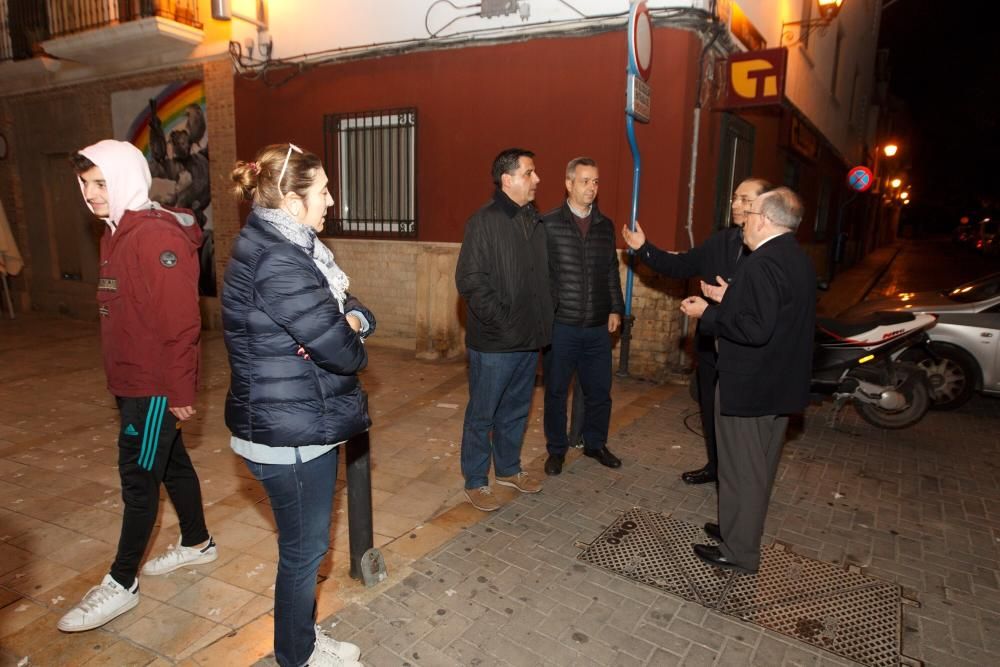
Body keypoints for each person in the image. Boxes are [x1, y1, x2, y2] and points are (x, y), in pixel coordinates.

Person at [224, 143, 373, 667]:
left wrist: (351, 320)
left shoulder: (292, 246)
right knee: (304, 555)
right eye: (323, 190)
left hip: (296, 419)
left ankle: (302, 640)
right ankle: (296, 655)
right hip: (289, 432)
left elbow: (351, 311)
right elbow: (346, 353)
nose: (331, 199)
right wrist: (348, 330)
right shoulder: (280, 261)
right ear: (291, 201)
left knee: (306, 552)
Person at [58, 140, 216, 632]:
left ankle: (121, 582)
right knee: (171, 463)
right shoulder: (115, 232)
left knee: (139, 478)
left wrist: (180, 392)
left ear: (125, 179)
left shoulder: (151, 238)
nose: (91, 194)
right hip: (132, 381)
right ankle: (198, 542)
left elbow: (180, 323)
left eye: (101, 182)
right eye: (85, 184)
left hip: (152, 388)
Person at [679, 187, 815, 574]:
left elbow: (754, 329)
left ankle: (739, 551)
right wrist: (731, 297)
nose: (743, 220)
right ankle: (736, 530)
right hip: (778, 384)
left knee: (741, 470)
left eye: (751, 210)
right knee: (759, 467)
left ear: (766, 219)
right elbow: (773, 312)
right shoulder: (794, 258)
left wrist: (708, 312)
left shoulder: (762, 263)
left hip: (750, 384)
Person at [622, 178, 773, 485]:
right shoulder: (723, 241)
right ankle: (715, 466)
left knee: (737, 419)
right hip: (710, 345)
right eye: (734, 198)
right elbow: (683, 265)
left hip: (744, 350)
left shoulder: (769, 251)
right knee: (709, 410)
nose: (735, 204)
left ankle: (737, 480)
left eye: (744, 200)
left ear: (763, 206)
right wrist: (644, 249)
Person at [455, 147, 553, 511]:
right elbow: (470, 280)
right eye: (530, 172)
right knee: (483, 412)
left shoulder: (534, 221)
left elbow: (541, 278)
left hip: (528, 340)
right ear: (508, 179)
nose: (537, 179)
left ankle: (509, 469)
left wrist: (544, 318)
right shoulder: (483, 221)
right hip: (495, 342)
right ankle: (476, 479)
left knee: (516, 410)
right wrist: (502, 320)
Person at [542, 157, 625, 475]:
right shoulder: (548, 224)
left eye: (596, 182)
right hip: (561, 326)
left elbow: (610, 271)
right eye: (585, 181)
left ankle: (595, 443)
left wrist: (616, 307)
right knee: (556, 392)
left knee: (599, 390)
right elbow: (542, 276)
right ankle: (556, 450)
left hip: (596, 327)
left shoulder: (605, 226)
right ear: (568, 183)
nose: (592, 187)